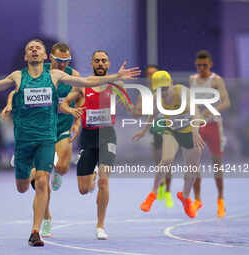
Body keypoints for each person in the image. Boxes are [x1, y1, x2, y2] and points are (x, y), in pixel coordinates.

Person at [0, 39, 141, 247]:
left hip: (47, 137)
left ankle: (36, 231)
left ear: (45, 57)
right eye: (30, 48)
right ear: (26, 57)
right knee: (23, 187)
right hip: (24, 140)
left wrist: (116, 77)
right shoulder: (18, 76)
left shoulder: (56, 75)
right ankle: (26, 171)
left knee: (44, 181)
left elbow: (87, 83)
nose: (34, 50)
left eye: (38, 48)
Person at [1, 42, 81, 238]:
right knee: (40, 180)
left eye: (66, 60)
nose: (62, 64)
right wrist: (10, 103)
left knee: (62, 167)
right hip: (41, 129)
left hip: (62, 126)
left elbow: (82, 94)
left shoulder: (73, 75)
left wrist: (76, 122)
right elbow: (16, 89)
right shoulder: (38, 70)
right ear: (50, 58)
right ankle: (46, 219)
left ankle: (57, 173)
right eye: (59, 60)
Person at [60, 50, 136, 240]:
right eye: (97, 61)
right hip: (88, 137)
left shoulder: (115, 84)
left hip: (107, 135)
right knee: (84, 189)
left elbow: (131, 109)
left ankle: (100, 226)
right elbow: (63, 105)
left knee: (104, 181)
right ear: (92, 64)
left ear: (108, 64)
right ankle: (91, 174)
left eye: (103, 61)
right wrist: (72, 110)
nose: (100, 64)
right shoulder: (83, 85)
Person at [134, 71, 205, 218]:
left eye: (165, 88)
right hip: (172, 131)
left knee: (191, 170)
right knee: (166, 160)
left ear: (171, 83)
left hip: (190, 130)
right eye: (159, 90)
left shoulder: (182, 93)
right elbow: (152, 114)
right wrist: (144, 130)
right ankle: (153, 194)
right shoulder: (157, 98)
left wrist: (195, 132)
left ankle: (185, 197)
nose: (162, 93)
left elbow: (196, 113)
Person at [189, 50, 231, 218]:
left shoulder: (216, 80)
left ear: (210, 65)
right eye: (199, 65)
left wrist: (210, 109)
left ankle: (220, 200)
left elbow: (227, 102)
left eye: (205, 65)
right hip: (198, 126)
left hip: (213, 126)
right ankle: (197, 199)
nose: (201, 68)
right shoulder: (192, 79)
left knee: (216, 164)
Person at [134, 65, 174, 208]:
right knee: (158, 160)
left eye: (154, 74)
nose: (151, 77)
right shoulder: (145, 93)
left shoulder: (169, 89)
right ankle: (161, 185)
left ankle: (168, 192)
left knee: (167, 161)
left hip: (170, 128)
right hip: (156, 127)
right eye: (149, 74)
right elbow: (138, 113)